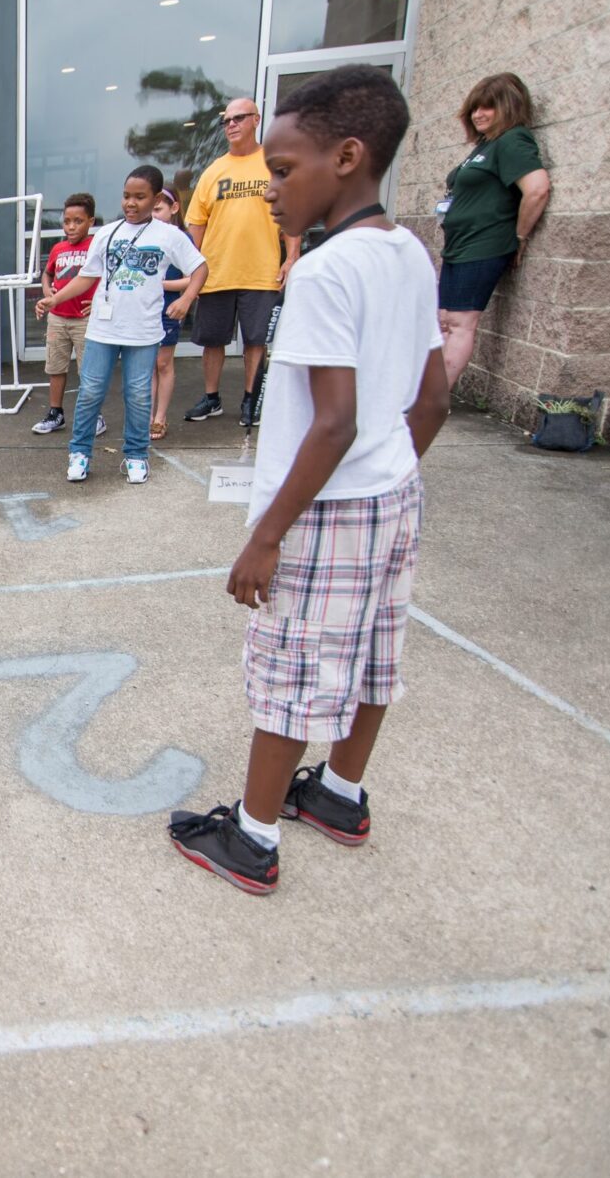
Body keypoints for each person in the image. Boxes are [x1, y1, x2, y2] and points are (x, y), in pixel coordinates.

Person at [168, 65, 450, 896]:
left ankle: (251, 840)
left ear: (351, 158)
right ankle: (339, 794)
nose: (270, 193)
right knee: (371, 654)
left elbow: (333, 421)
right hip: (391, 495)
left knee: (290, 670)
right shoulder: (407, 253)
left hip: (324, 508)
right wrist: (386, 473)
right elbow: (431, 399)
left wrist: (265, 537)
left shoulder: (325, 272)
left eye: (284, 174)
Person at [39, 165, 205, 485]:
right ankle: (80, 453)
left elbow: (200, 268)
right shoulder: (107, 233)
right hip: (103, 328)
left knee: (138, 394)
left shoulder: (168, 235)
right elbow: (87, 276)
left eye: (140, 197)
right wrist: (55, 299)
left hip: (142, 331)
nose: (130, 203)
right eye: (126, 196)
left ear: (156, 198)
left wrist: (187, 299)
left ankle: (136, 455)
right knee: (90, 391)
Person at [184, 97, 302, 428]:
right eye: (227, 121)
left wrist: (291, 257)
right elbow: (197, 222)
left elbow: (291, 216)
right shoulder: (213, 171)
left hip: (260, 272)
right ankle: (212, 398)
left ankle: (251, 399)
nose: (232, 125)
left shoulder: (274, 165)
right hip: (217, 272)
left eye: (239, 118)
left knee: (255, 340)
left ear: (256, 120)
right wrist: (196, 265)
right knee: (212, 341)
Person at [437, 73, 552, 385]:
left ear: (509, 107)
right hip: (460, 244)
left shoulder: (513, 140)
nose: (479, 114)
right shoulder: (486, 145)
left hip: (483, 244)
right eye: (475, 108)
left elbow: (537, 189)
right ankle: (429, 392)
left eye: (488, 107)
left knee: (460, 323)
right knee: (445, 322)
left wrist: (520, 236)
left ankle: (433, 399)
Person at [30, 193, 103, 436]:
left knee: (89, 371)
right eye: (67, 221)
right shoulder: (58, 248)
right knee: (56, 367)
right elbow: (47, 273)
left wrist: (99, 301)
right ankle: (55, 413)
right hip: (58, 318)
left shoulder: (96, 247)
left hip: (84, 319)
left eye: (78, 221)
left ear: (90, 221)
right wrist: (46, 289)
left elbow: (109, 277)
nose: (71, 227)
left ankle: (95, 415)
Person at [149, 187, 194, 441]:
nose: (154, 215)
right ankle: (146, 415)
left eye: (159, 209)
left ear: (174, 208)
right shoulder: (146, 236)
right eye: (152, 210)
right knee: (147, 365)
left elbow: (192, 278)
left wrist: (162, 285)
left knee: (163, 363)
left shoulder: (181, 238)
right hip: (146, 309)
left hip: (168, 308)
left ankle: (160, 417)